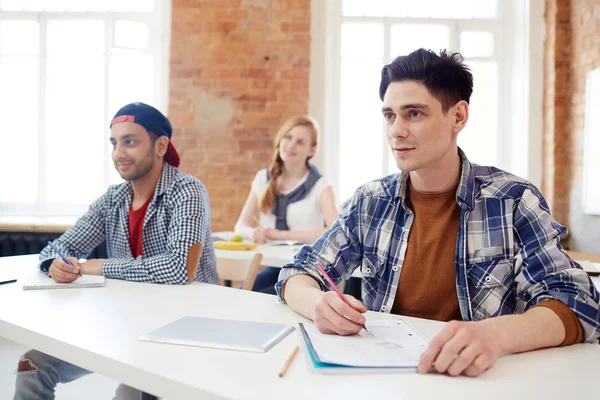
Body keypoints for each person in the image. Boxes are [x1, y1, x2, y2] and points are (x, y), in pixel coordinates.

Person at [276, 49, 600, 377]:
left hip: (482, 382)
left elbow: (577, 303)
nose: (395, 131)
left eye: (414, 114)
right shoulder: (370, 200)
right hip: (385, 379)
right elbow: (298, 272)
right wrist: (316, 303)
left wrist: (497, 334)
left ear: (458, 117)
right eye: (389, 115)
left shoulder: (514, 200)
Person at [14, 102, 219, 400]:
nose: (119, 153)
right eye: (114, 143)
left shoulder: (187, 191)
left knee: (133, 393)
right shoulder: (114, 198)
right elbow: (58, 247)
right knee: (29, 366)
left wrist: (97, 265)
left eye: (130, 142)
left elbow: (178, 269)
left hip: (178, 332)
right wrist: (54, 264)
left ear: (161, 146)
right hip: (122, 325)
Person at [234, 115, 339, 294]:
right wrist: (256, 233)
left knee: (263, 298)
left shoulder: (320, 185)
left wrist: (280, 235)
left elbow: (335, 231)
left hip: (306, 271)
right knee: (245, 294)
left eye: (300, 142)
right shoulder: (263, 179)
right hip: (275, 266)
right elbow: (240, 226)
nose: (291, 145)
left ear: (312, 150)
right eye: (288, 137)